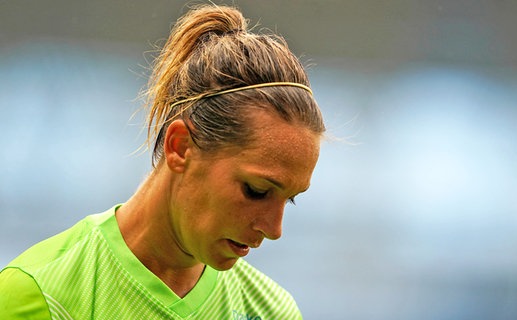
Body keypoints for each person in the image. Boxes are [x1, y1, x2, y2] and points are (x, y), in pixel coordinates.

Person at [0, 4, 325, 319]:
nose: (274, 229)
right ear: (180, 147)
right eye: (256, 190)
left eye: (290, 199)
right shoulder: (42, 293)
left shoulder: (271, 311)